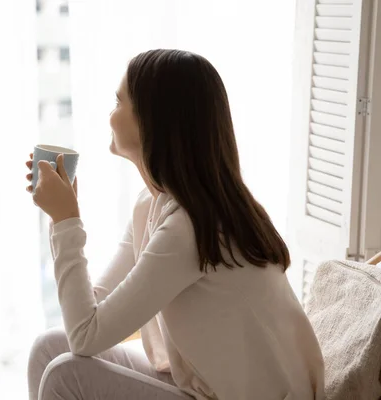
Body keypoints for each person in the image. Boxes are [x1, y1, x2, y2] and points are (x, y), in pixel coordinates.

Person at [24, 49, 324, 400]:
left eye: (119, 103)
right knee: (49, 347)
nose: (110, 115)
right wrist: (63, 214)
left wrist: (65, 221)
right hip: (202, 387)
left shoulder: (191, 227)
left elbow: (86, 335)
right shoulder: (151, 206)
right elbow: (93, 313)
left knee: (66, 373)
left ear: (153, 122)